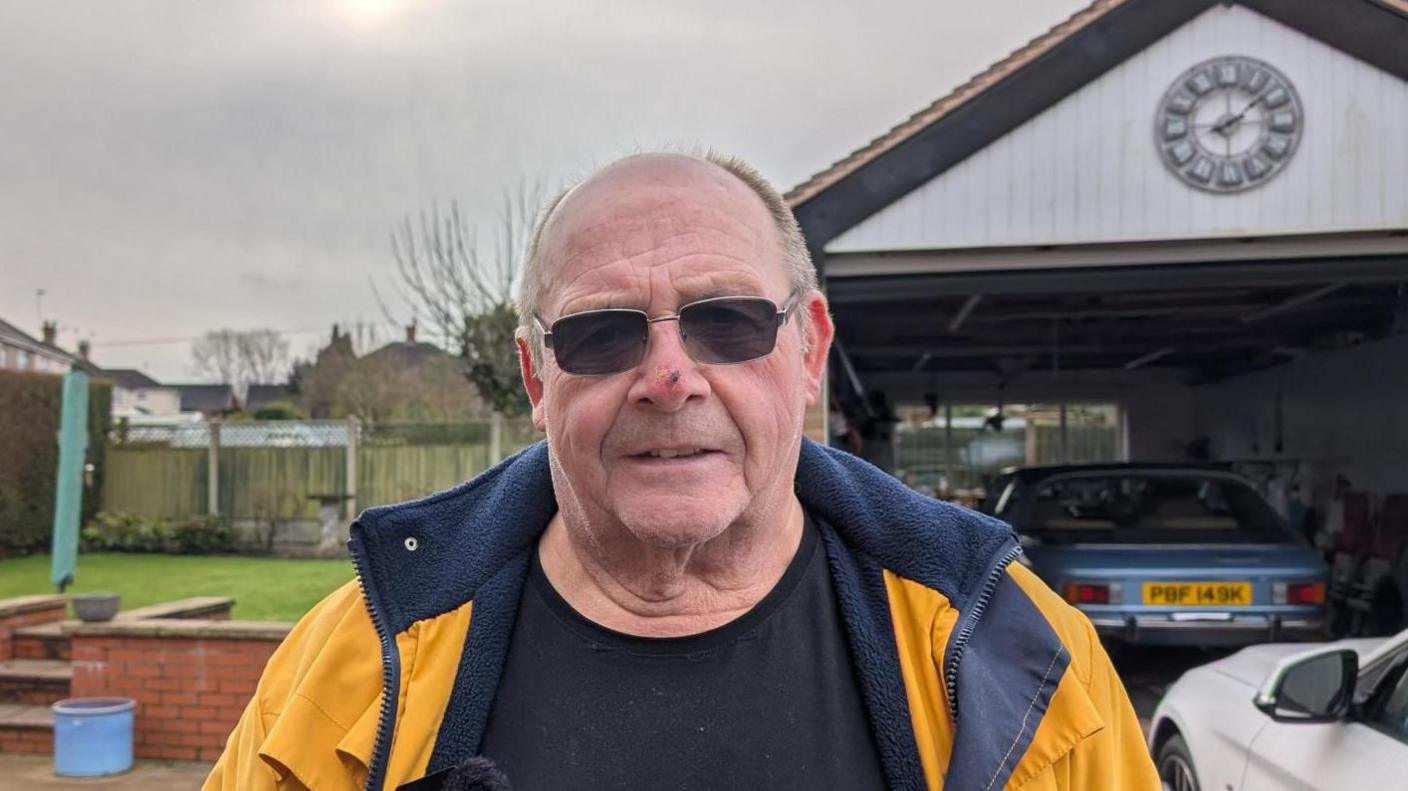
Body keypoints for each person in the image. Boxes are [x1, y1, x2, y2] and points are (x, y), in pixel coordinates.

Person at [205, 152, 1157, 790]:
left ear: (810, 347)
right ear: (537, 375)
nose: (669, 378)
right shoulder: (356, 664)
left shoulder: (1015, 656)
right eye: (602, 332)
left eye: (727, 321)